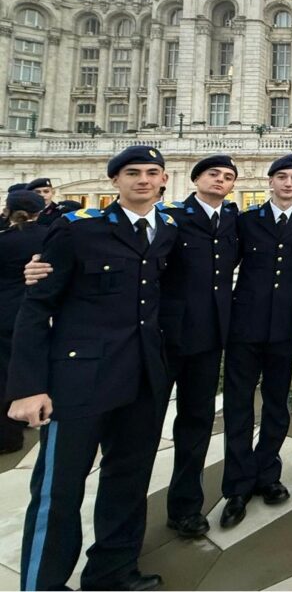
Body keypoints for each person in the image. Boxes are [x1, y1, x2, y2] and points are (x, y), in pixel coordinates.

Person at [8, 146, 176, 591]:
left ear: (164, 180)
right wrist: (27, 387)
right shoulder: (78, 230)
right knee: (59, 490)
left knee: (129, 480)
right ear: (115, 180)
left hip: (141, 377)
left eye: (152, 172)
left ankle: (113, 572)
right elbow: (36, 307)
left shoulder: (167, 231)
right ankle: (43, 585)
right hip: (79, 379)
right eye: (133, 172)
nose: (143, 180)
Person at [219, 154, 292, 529]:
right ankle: (237, 486)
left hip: (283, 328)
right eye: (283, 177)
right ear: (270, 182)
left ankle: (268, 474)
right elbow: (220, 265)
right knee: (239, 407)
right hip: (245, 326)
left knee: (277, 405)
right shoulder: (245, 221)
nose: (289, 183)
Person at [157, 155, 241, 538]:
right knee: (142, 433)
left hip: (208, 339)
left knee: (196, 425)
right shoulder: (171, 218)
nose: (220, 180)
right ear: (195, 179)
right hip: (165, 338)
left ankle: (185, 507)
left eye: (228, 177)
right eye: (213, 174)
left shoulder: (233, 220)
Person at [0, 191, 48, 455]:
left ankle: (7, 433)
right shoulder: (49, 236)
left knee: (4, 372)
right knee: (32, 365)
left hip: (6, 310)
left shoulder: (5, 240)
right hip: (39, 310)